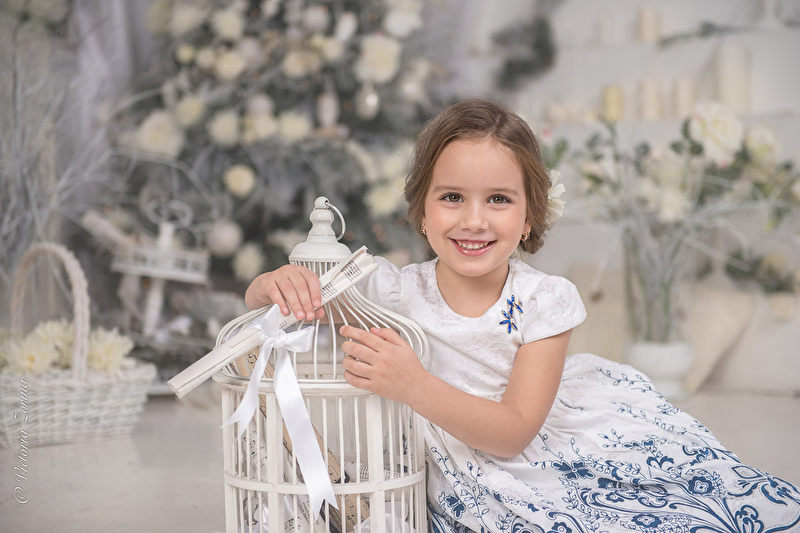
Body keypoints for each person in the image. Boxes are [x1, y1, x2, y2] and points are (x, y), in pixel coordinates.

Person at [245, 99, 800, 532]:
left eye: (499, 200)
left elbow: (513, 433)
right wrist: (272, 284)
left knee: (665, 506)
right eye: (452, 197)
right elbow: (273, 306)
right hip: (458, 473)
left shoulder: (543, 300)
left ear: (530, 215)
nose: (474, 220)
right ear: (421, 210)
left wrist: (413, 384)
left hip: (538, 450)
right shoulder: (390, 290)